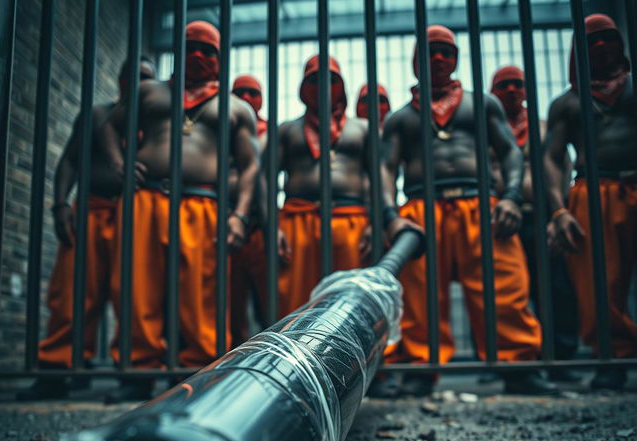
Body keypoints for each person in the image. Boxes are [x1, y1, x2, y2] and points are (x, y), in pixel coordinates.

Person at [379, 25, 553, 398]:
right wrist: (391, 216)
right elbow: (384, 170)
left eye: (446, 51)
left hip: (482, 205)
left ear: (456, 59)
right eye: (431, 51)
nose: (439, 58)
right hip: (421, 209)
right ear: (415, 60)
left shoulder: (482, 104)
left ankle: (518, 364)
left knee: (504, 286)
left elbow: (510, 152)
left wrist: (509, 196)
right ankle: (421, 369)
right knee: (421, 294)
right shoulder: (401, 118)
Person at [100, 21, 259, 402]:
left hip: (203, 204)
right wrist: (119, 162)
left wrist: (239, 215)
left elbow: (251, 165)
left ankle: (200, 369)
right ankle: (138, 369)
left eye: (209, 50)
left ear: (221, 59)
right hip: (146, 200)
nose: (199, 56)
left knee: (202, 289)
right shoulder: (149, 93)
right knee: (137, 284)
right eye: (191, 47)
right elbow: (108, 126)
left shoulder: (235, 107)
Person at [17, 56, 157, 401]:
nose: (139, 84)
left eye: (147, 78)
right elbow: (69, 160)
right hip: (92, 211)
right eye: (134, 76)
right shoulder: (97, 115)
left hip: (136, 218)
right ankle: (57, 370)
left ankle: (135, 374)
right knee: (74, 293)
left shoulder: (158, 124)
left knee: (137, 296)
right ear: (121, 79)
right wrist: (61, 203)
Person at [275, 55, 413, 318]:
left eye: (331, 80)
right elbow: (266, 180)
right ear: (303, 88)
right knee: (293, 302)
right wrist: (274, 226)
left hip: (352, 221)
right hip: (297, 220)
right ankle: (293, 358)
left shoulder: (363, 128)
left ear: (342, 86)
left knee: (352, 298)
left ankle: (351, 357)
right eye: (314, 80)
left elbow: (379, 178)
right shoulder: (287, 130)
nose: (323, 86)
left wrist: (376, 223)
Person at [545, 13, 637, 390]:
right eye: (591, 42)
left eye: (608, 39)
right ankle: (611, 358)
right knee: (598, 282)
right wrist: (559, 210)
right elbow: (550, 159)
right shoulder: (567, 103)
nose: (600, 46)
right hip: (591, 192)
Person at [490, 65, 580, 382]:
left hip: (541, 216)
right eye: (504, 86)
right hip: (500, 218)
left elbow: (563, 167)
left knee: (554, 286)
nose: (512, 90)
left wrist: (558, 214)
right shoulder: (486, 129)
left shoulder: (542, 128)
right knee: (503, 290)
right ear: (492, 91)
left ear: (527, 90)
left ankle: (560, 358)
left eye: (517, 84)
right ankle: (496, 359)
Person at [229, 75, 267, 347]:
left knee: (269, 301)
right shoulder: (224, 124)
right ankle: (229, 363)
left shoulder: (270, 131)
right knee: (228, 302)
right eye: (240, 92)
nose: (246, 98)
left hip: (260, 225)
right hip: (226, 223)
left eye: (253, 93)